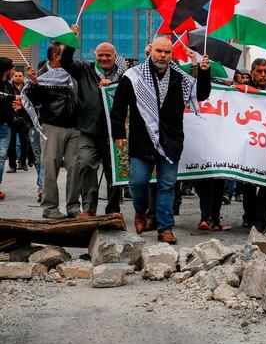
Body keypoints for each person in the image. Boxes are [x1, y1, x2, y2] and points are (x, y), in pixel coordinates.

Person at [110, 37, 211, 244]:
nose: (163, 55)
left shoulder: (179, 77)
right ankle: (141, 212)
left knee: (167, 185)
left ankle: (165, 228)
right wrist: (118, 133)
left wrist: (203, 70)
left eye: (167, 52)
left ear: (172, 55)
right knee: (138, 183)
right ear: (151, 52)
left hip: (171, 142)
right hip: (142, 140)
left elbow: (201, 94)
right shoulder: (133, 76)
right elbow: (119, 107)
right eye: (159, 51)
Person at [61, 25, 127, 216]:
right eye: (101, 55)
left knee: (114, 173)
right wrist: (71, 39)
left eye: (108, 55)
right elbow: (65, 61)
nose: (104, 58)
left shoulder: (124, 75)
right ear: (94, 55)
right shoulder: (84, 69)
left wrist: (113, 85)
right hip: (88, 130)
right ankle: (89, 210)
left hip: (114, 133)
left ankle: (113, 210)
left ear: (115, 56)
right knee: (86, 165)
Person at [22, 44, 81, 219]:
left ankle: (73, 207)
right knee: (50, 167)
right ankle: (50, 208)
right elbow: (33, 101)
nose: (71, 56)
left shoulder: (72, 72)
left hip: (74, 126)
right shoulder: (40, 75)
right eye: (66, 53)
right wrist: (34, 84)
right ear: (56, 56)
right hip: (52, 126)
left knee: (75, 167)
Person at [238, 52, 266, 231]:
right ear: (252, 72)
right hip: (249, 145)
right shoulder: (243, 89)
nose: (263, 75)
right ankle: (249, 216)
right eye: (259, 72)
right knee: (248, 184)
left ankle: (261, 221)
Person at [0, 58, 17, 201]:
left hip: (5, 127)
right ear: (5, 69)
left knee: (0, 158)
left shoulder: (10, 85)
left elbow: (11, 102)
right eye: (12, 68)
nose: (14, 71)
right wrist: (13, 97)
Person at [7, 70, 30, 173]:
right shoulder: (8, 87)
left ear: (23, 77)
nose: (17, 77)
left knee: (24, 142)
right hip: (11, 118)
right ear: (13, 77)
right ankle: (12, 165)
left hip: (23, 118)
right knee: (11, 143)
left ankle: (23, 162)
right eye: (15, 75)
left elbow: (31, 102)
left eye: (20, 76)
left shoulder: (27, 88)